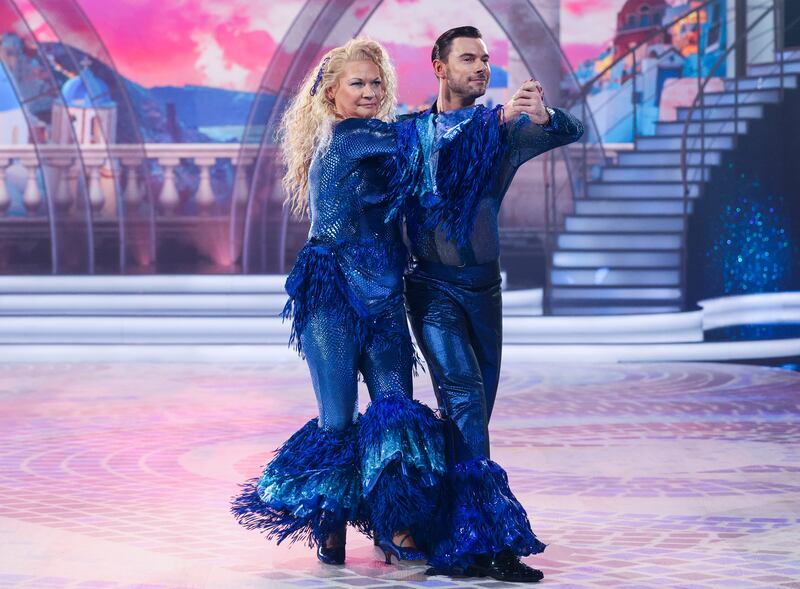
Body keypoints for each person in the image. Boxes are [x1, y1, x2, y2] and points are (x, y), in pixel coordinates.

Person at [231, 38, 504, 567]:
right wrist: (487, 119)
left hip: (386, 296)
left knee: (394, 411)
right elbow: (419, 137)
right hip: (332, 293)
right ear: (330, 93)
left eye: (377, 83)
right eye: (357, 83)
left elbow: (420, 160)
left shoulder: (378, 141)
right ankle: (329, 523)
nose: (370, 91)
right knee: (337, 418)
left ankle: (396, 526)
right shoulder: (350, 140)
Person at [401, 26, 585, 582]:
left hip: (485, 292)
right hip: (431, 290)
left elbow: (569, 132)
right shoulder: (410, 133)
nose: (481, 67)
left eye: (485, 59)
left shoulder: (503, 131)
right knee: (463, 402)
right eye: (468, 59)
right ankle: (484, 545)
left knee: (475, 414)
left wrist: (543, 115)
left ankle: (448, 522)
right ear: (439, 66)